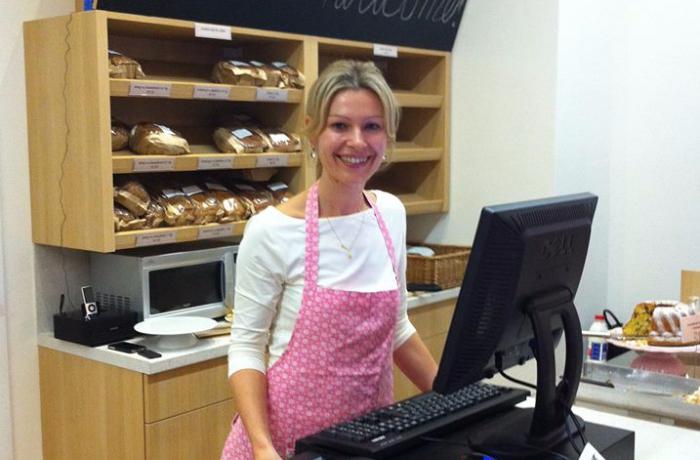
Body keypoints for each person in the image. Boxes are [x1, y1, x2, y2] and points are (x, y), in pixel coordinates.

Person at [221, 60, 438, 460]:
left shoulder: (390, 214)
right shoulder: (271, 231)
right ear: (312, 130)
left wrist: (453, 398)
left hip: (368, 441)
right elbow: (247, 348)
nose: (357, 141)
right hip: (287, 445)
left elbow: (398, 328)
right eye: (340, 126)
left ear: (387, 135)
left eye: (371, 126)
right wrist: (263, 447)